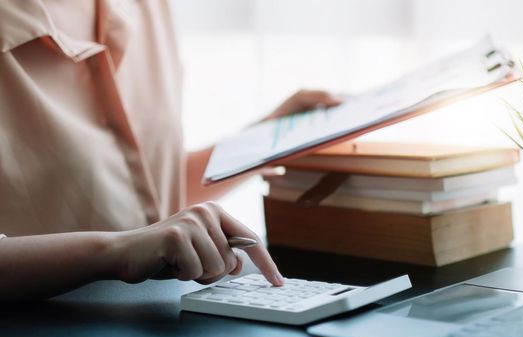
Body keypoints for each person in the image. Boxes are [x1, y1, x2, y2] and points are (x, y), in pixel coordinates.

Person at [0, 0, 341, 301]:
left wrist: (267, 138)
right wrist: (114, 251)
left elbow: (148, 198)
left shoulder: (148, 7)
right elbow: (136, 238)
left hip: (154, 322)